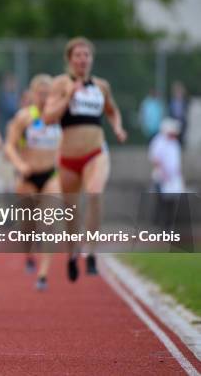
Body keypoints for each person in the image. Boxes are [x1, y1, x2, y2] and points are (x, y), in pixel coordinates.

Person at [43, 37, 127, 281]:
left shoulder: (101, 86)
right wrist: (69, 95)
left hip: (96, 152)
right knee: (71, 210)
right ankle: (72, 253)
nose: (82, 59)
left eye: (86, 55)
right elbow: (48, 117)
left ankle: (91, 252)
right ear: (70, 59)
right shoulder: (60, 84)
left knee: (94, 193)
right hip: (69, 157)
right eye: (78, 55)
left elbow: (112, 111)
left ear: (91, 59)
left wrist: (118, 127)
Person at [4, 74, 61, 291]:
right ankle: (29, 253)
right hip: (27, 177)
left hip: (50, 175)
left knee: (48, 223)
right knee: (28, 226)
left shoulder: (58, 117)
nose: (46, 97)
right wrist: (20, 165)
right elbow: (9, 146)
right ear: (33, 94)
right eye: (41, 93)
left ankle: (43, 274)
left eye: (49, 94)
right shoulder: (24, 117)